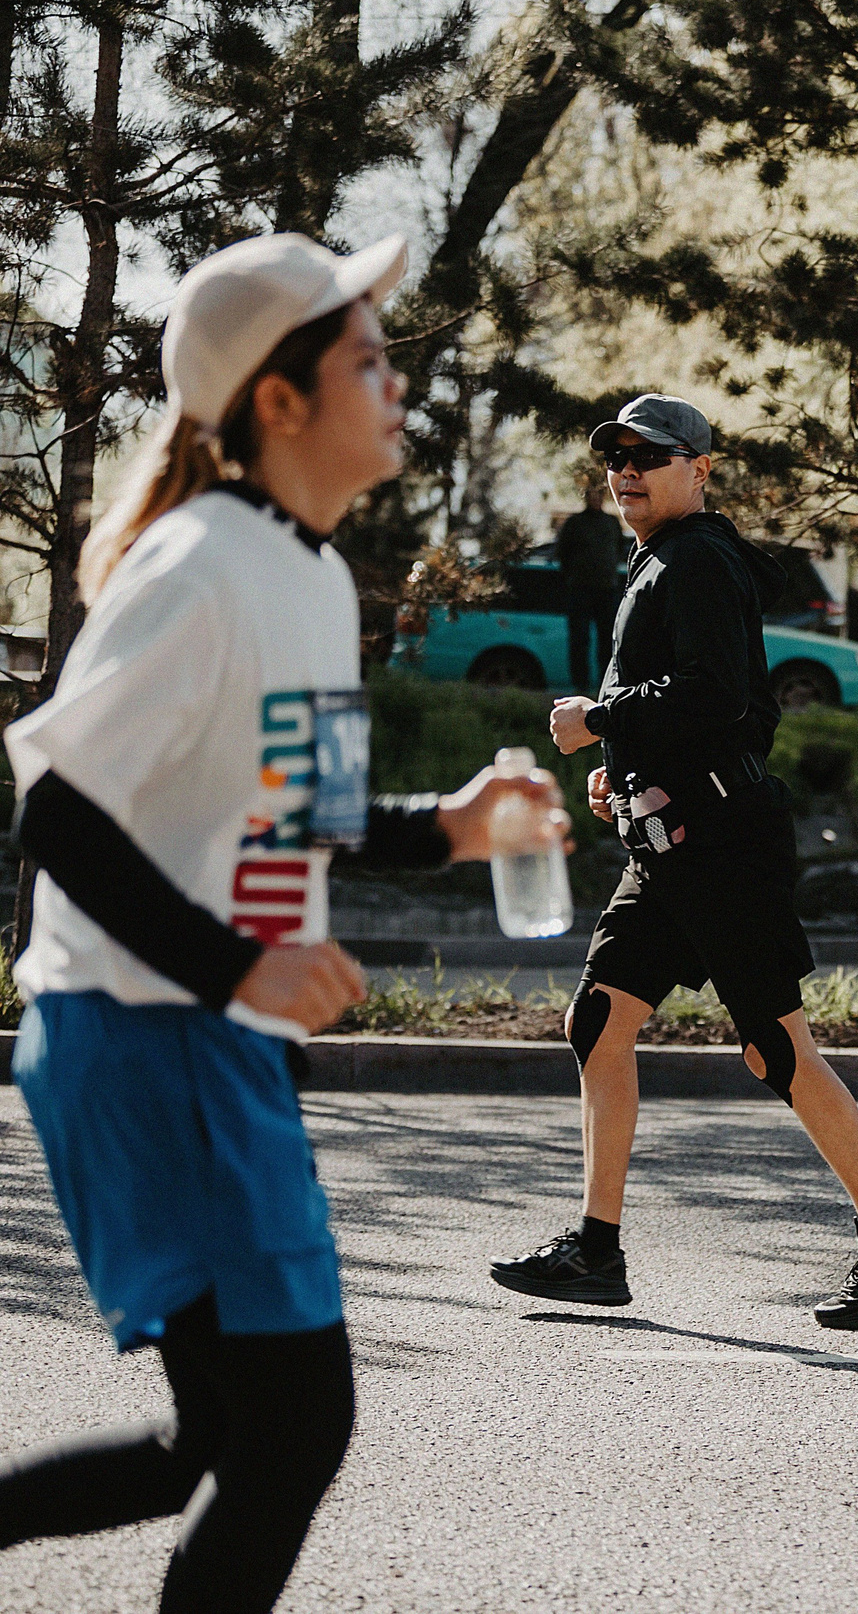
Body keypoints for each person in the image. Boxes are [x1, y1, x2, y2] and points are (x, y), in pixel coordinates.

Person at [0, 232, 565, 1613]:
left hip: (199, 1036)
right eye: (369, 360)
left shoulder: (306, 574)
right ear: (279, 399)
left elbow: (304, 809)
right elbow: (58, 809)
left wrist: (452, 821)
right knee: (296, 1425)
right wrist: (242, 961)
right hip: (149, 1033)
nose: (401, 389)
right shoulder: (201, 565)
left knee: (230, 1434)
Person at [488, 394, 858, 1329]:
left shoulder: (696, 558)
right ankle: (596, 1249)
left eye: (647, 456)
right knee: (599, 1022)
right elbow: (722, 711)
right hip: (667, 845)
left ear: (700, 468)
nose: (625, 469)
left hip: (722, 849)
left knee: (775, 1048)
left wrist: (599, 722)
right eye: (614, 455)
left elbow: (720, 693)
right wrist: (625, 770)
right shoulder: (661, 559)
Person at [556, 480, 628, 693]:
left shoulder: (611, 523)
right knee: (579, 640)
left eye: (599, 494)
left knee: (608, 641)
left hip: (607, 590)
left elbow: (619, 551)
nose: (595, 498)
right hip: (580, 590)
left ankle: (606, 687)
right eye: (591, 494)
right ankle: (581, 685)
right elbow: (562, 555)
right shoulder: (575, 523)